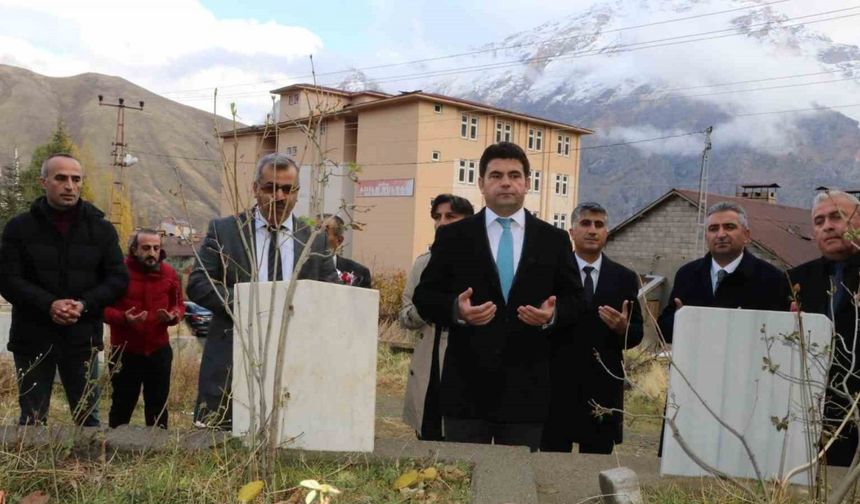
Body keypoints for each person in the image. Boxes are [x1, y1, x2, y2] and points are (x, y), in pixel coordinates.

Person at [413, 142, 583, 451]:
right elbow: (425, 296)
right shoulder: (454, 237)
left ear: (527, 183)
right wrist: (456, 310)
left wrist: (552, 316)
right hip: (466, 389)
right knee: (462, 479)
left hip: (527, 392)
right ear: (481, 183)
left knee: (517, 486)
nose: (506, 182)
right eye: (496, 175)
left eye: (514, 175)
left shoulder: (553, 240)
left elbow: (576, 300)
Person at [187, 152, 337, 429]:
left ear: (297, 193)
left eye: (287, 189)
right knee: (220, 446)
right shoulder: (225, 231)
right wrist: (249, 304)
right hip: (231, 361)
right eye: (270, 188)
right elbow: (198, 283)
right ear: (256, 189)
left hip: (294, 362)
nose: (278, 196)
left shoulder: (314, 239)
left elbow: (331, 295)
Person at [0, 153, 128, 426]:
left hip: (82, 338)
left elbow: (118, 279)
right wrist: (49, 304)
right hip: (32, 337)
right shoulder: (19, 228)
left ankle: (90, 469)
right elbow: (8, 279)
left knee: (88, 418)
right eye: (61, 178)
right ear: (43, 182)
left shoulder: (102, 230)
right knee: (32, 419)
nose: (69, 185)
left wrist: (83, 304)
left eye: (75, 179)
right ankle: (32, 468)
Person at [542, 202, 643, 454]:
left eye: (599, 225)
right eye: (585, 223)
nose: (592, 230)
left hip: (602, 388)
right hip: (557, 385)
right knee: (552, 467)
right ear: (572, 232)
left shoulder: (625, 278)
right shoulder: (551, 273)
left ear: (607, 232)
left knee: (595, 469)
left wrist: (623, 328)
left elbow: (637, 332)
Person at [789, 190, 860, 467]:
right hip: (809, 411)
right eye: (819, 221)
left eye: (837, 217)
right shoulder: (796, 280)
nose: (827, 226)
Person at [657, 201, 791, 343]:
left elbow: (779, 335)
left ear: (746, 235)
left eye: (729, 227)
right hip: (694, 362)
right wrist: (682, 319)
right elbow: (664, 332)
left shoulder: (771, 278)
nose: (721, 235)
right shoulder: (688, 274)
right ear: (706, 237)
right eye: (713, 229)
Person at [401, 194, 475, 440]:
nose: (442, 223)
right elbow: (405, 316)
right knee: (428, 439)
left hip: (466, 368)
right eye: (437, 217)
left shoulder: (480, 263)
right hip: (428, 367)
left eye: (450, 216)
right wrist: (429, 305)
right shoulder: (422, 264)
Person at [104, 229, 184, 429]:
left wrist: (173, 316)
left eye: (156, 248)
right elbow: (102, 309)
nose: (152, 253)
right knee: (122, 404)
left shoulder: (169, 273)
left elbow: (179, 304)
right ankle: (114, 450)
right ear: (134, 249)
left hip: (159, 351)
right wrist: (124, 318)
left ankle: (157, 452)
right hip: (124, 351)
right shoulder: (118, 273)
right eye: (146, 248)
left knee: (158, 406)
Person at [325, 214, 372, 288]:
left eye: (324, 232)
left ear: (339, 240)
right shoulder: (302, 268)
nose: (317, 237)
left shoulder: (359, 273)